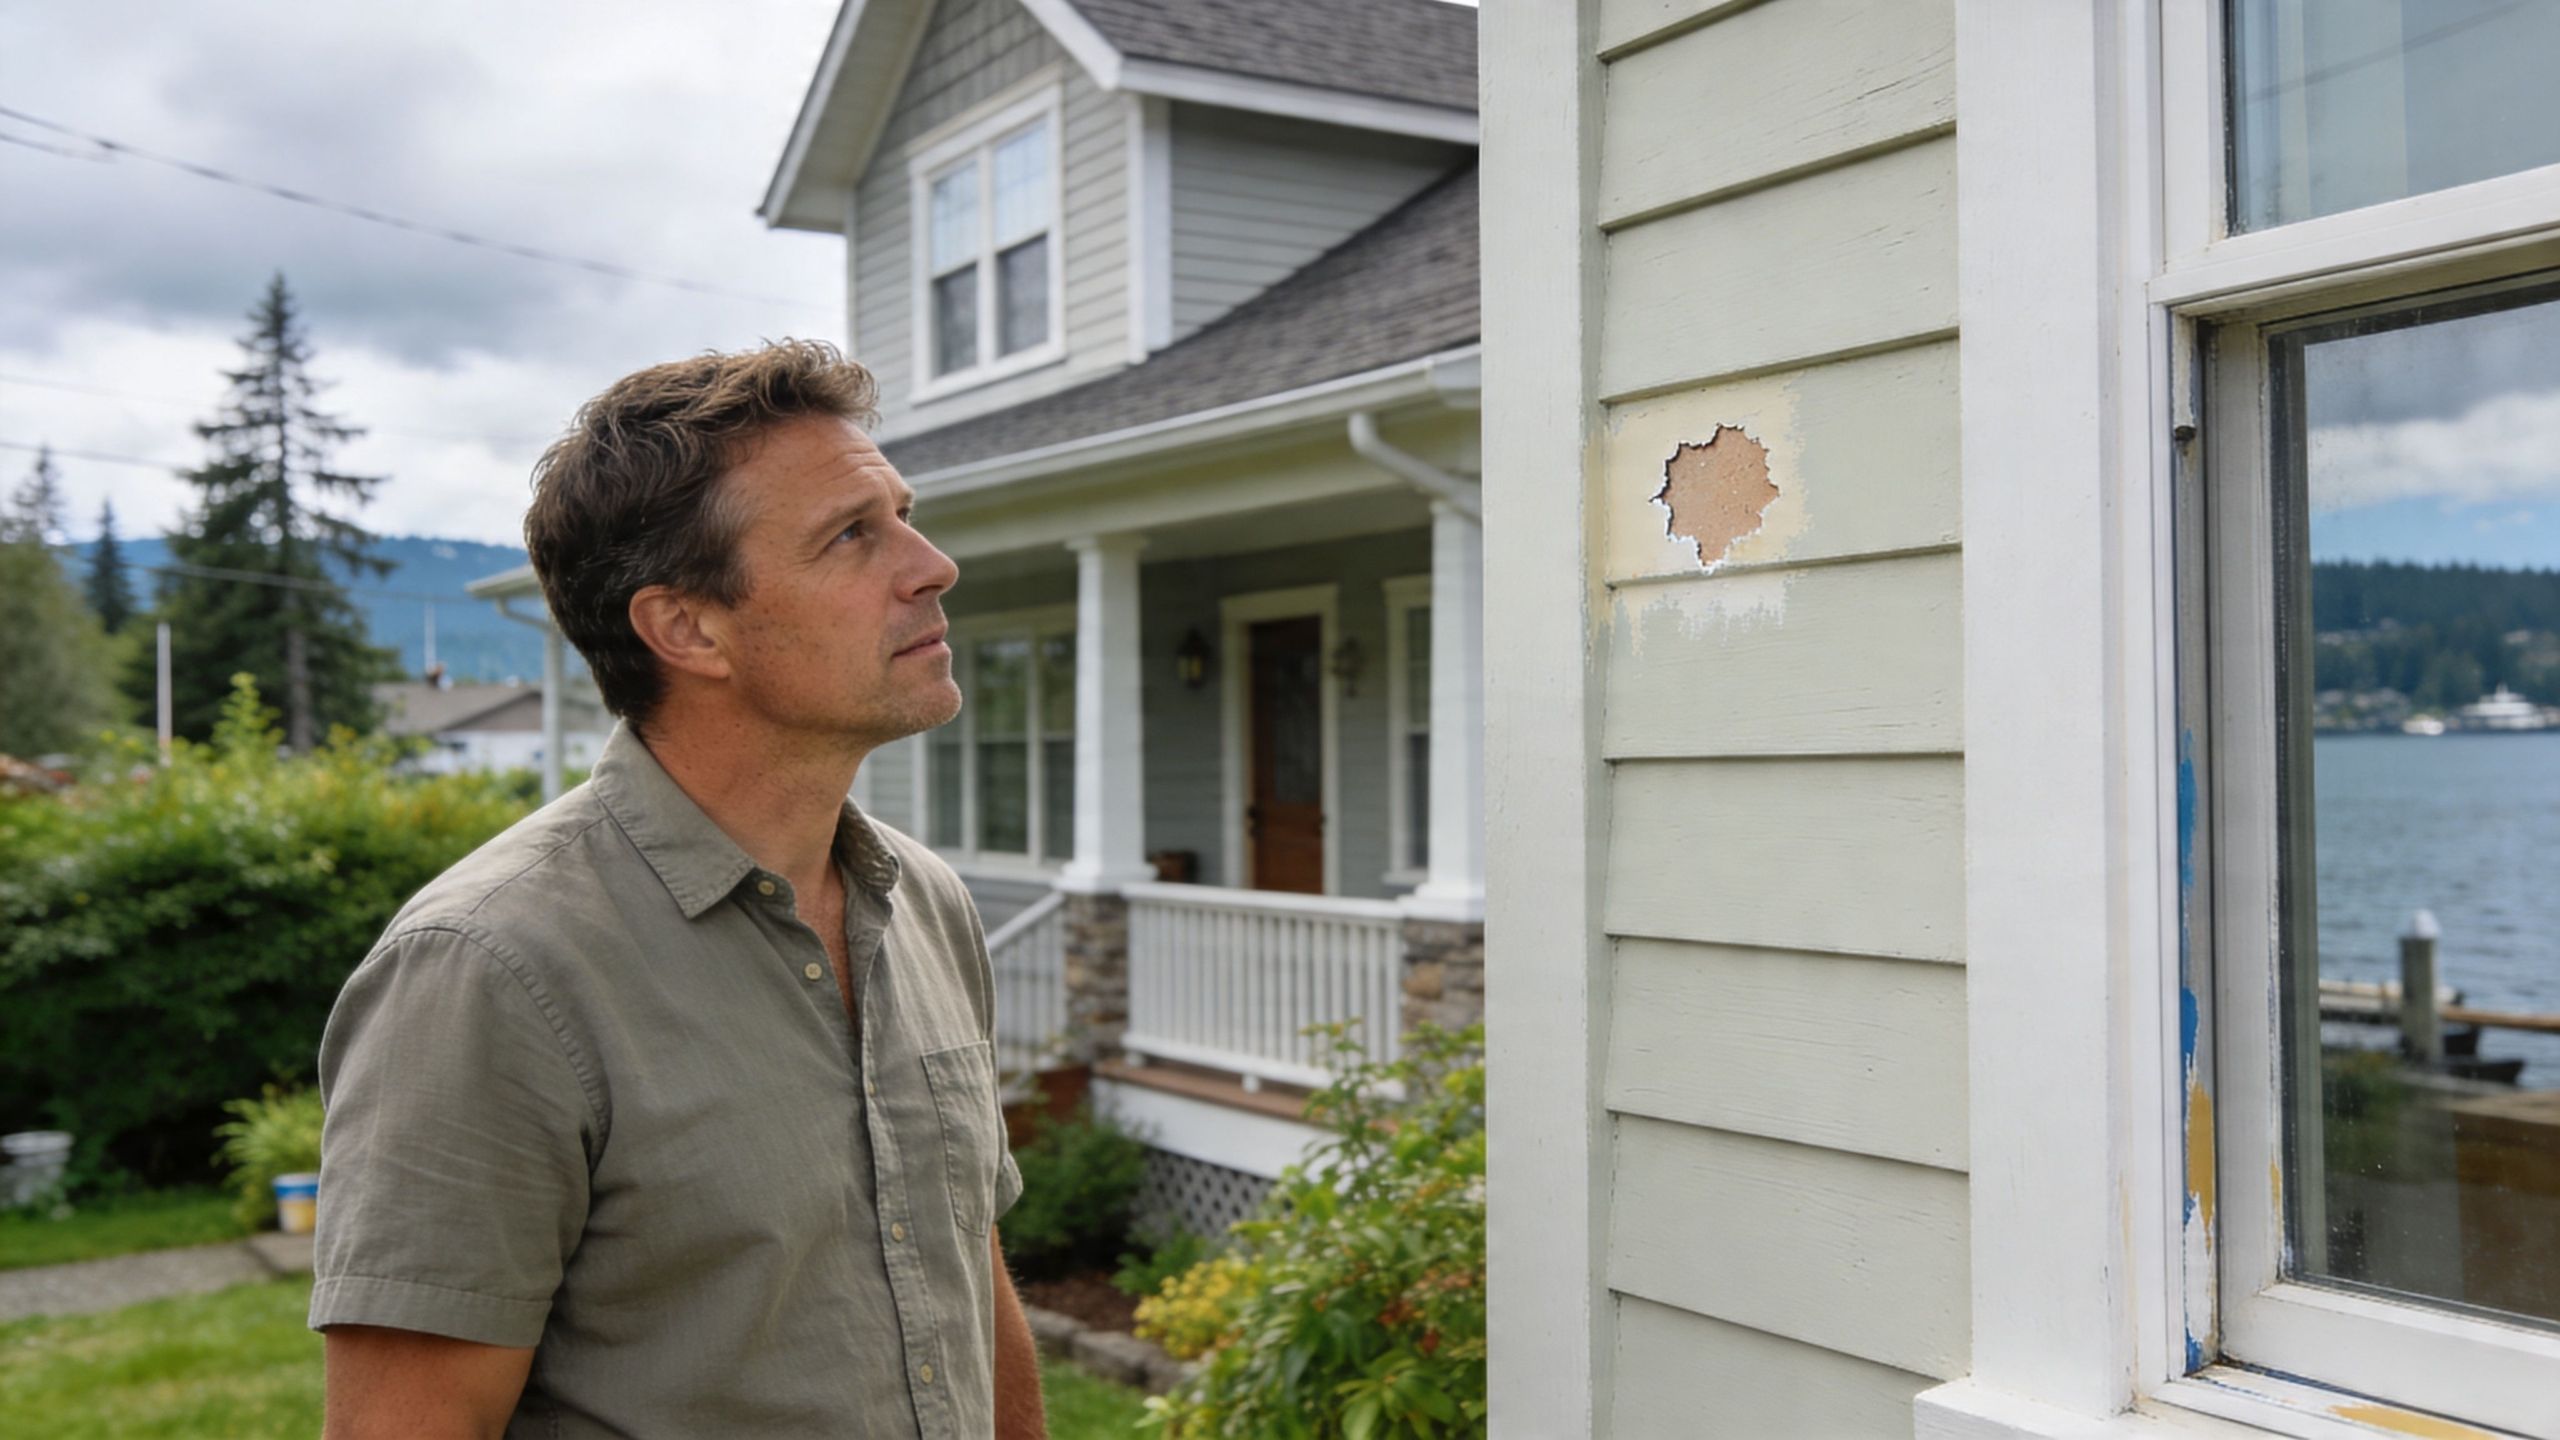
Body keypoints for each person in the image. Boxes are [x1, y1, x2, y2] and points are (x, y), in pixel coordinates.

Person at [308, 341, 1045, 1439]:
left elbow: (968, 1281)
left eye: (902, 513)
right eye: (852, 535)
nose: (930, 563)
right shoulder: (489, 971)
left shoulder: (922, 901)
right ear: (687, 628)